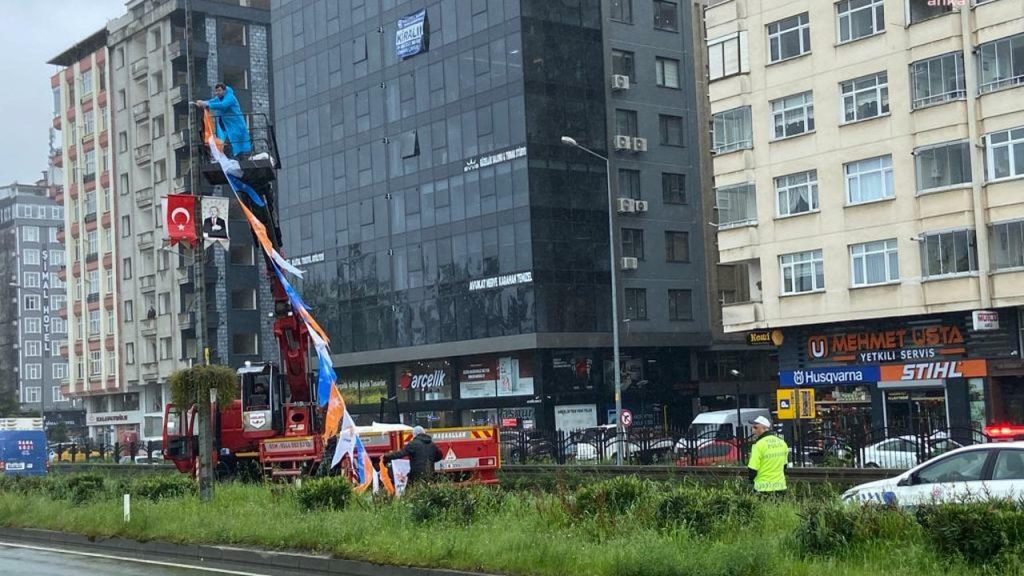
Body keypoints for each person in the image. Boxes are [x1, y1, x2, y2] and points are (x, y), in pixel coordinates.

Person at [195, 83, 252, 157]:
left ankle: (239, 157)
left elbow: (223, 105)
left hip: (236, 125)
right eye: (216, 91)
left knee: (237, 144)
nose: (217, 93)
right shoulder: (219, 98)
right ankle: (233, 158)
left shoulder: (230, 97)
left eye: (219, 90)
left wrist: (206, 104)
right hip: (227, 127)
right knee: (227, 144)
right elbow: (212, 101)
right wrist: (203, 102)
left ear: (224, 91)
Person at [747, 415, 788, 497]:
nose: (752, 430)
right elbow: (784, 466)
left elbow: (752, 469)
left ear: (764, 428)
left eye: (755, 427)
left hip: (762, 488)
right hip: (780, 486)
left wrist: (750, 482)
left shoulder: (758, 445)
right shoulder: (782, 443)